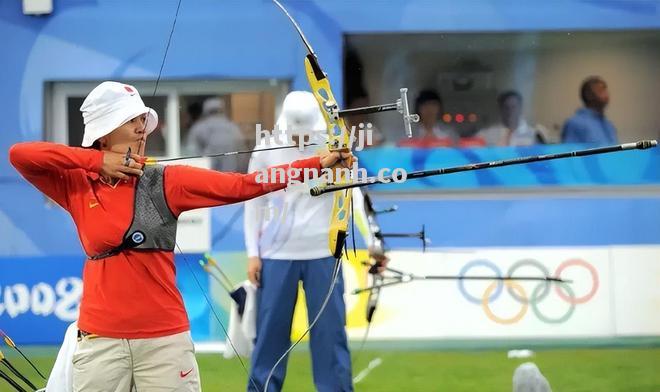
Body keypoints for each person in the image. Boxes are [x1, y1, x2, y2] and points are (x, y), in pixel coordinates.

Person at [8, 81, 351, 392]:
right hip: (100, 340)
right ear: (106, 130)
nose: (142, 126)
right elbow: (20, 155)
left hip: (164, 341)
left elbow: (243, 186)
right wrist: (97, 163)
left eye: (142, 119)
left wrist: (319, 162)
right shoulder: (77, 184)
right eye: (132, 120)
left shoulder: (166, 180)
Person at [244, 91, 387, 392]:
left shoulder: (334, 146)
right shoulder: (266, 147)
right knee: (269, 336)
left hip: (324, 252)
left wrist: (373, 241)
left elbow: (354, 194)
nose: (299, 141)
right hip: (275, 255)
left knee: (329, 335)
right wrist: (252, 253)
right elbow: (252, 201)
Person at [186, 97, 245, 172]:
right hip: (229, 169)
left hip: (209, 169)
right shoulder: (232, 126)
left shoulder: (199, 127)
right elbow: (241, 150)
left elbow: (193, 151)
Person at [561, 76, 618, 144]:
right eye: (601, 90)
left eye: (606, 90)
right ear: (588, 95)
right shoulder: (574, 123)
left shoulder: (608, 124)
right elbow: (570, 151)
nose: (606, 95)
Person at [477, 90, 545, 146]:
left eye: (514, 107)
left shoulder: (534, 135)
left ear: (520, 108)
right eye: (506, 107)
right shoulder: (486, 134)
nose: (510, 111)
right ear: (500, 109)